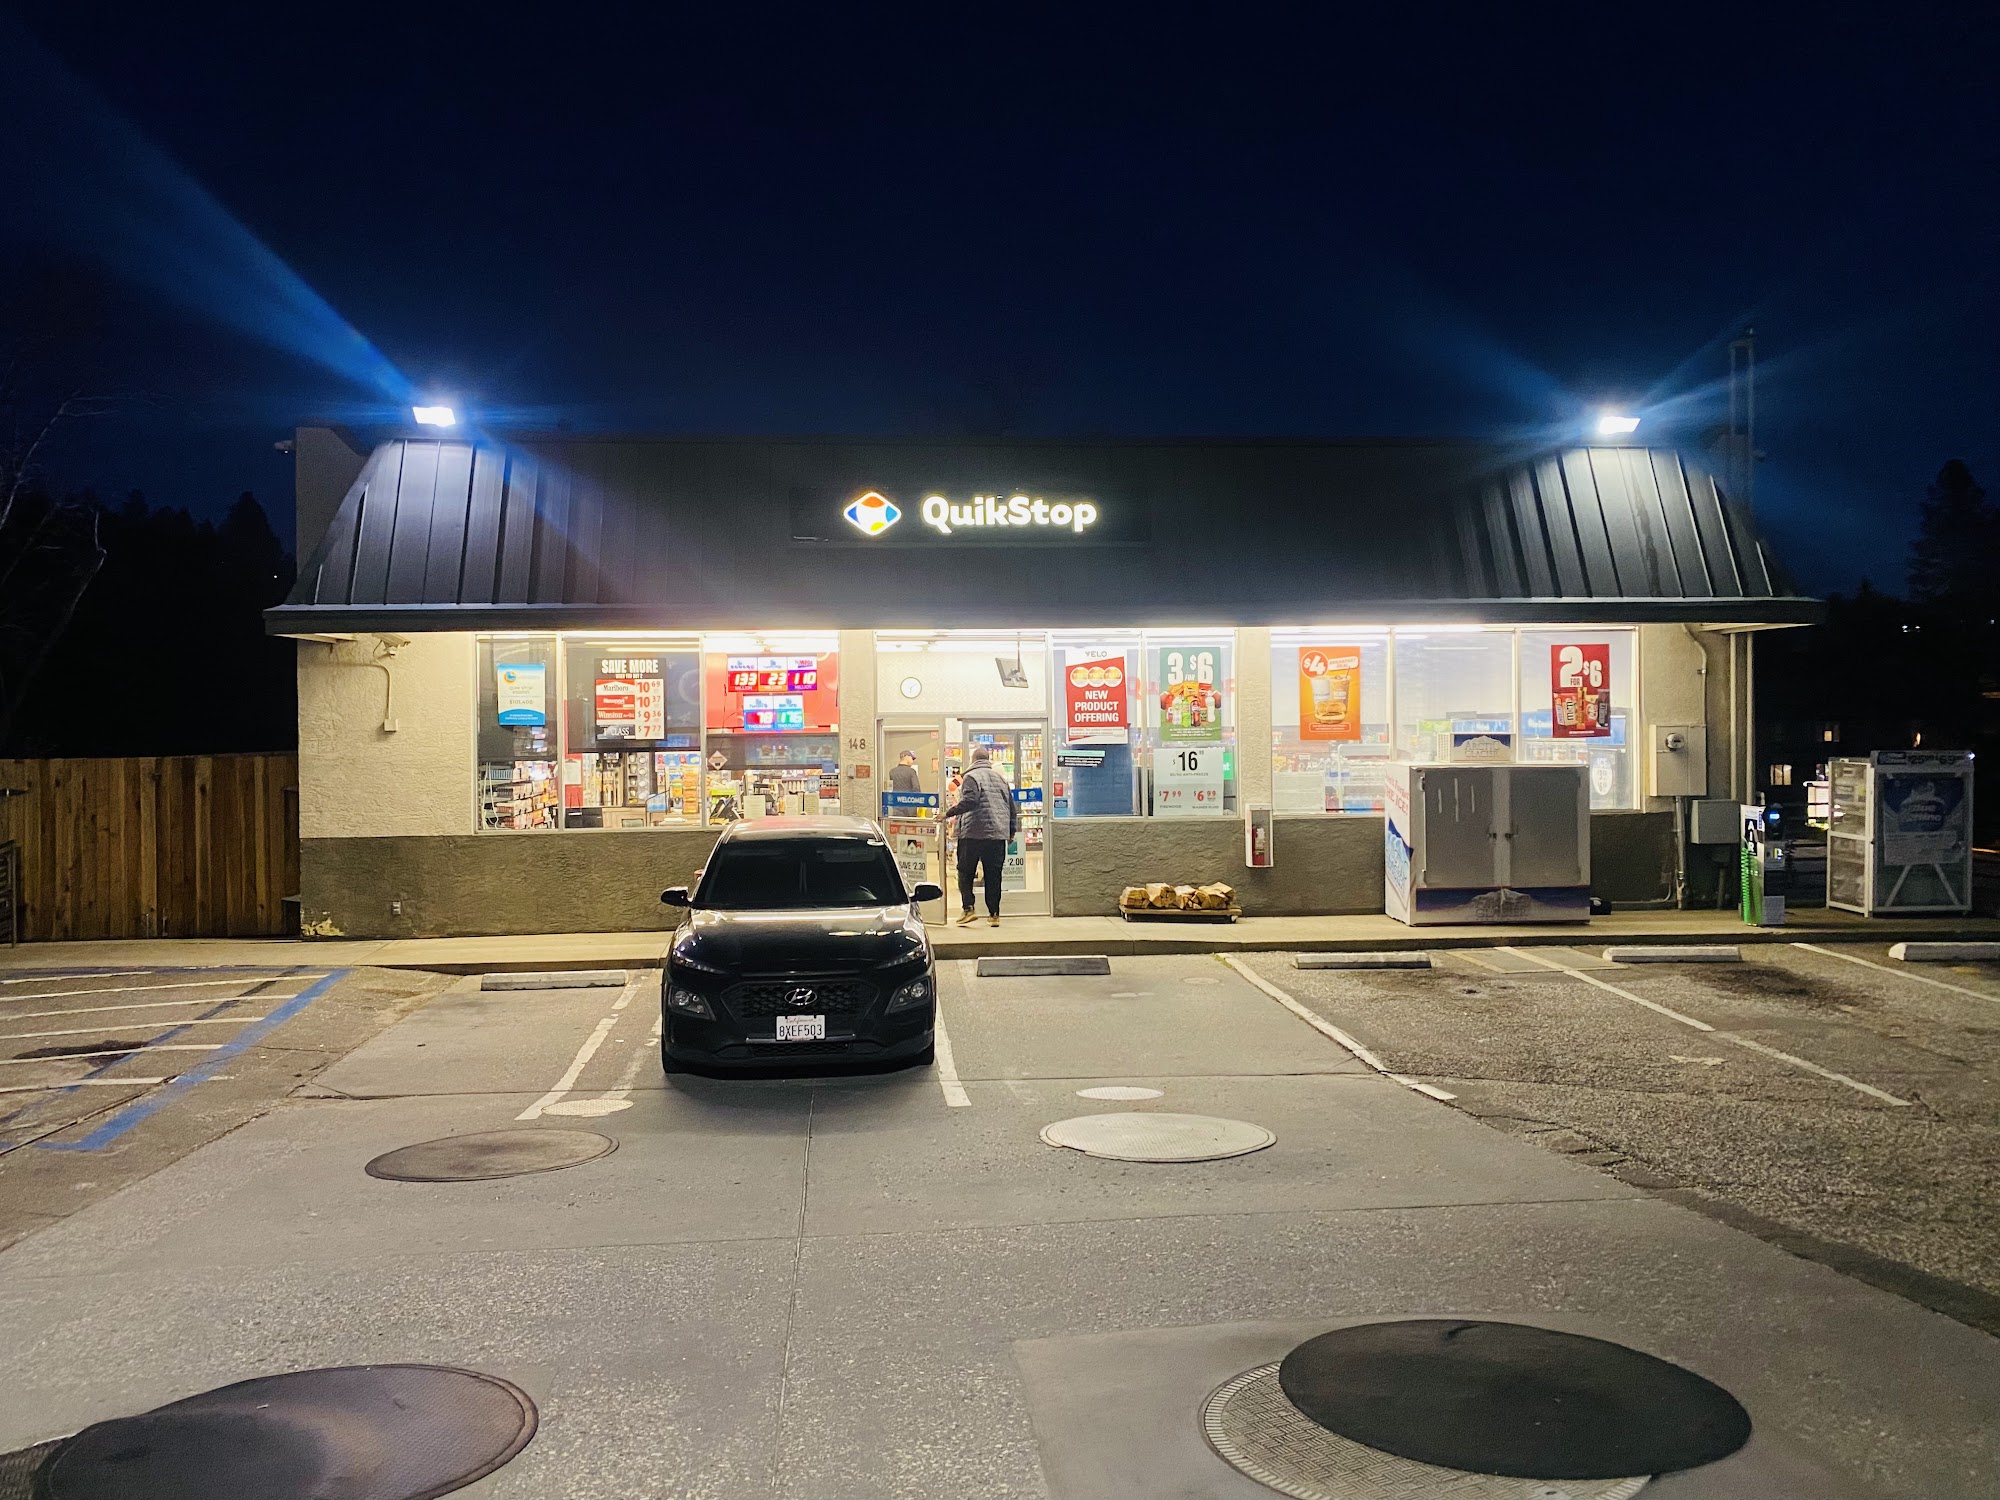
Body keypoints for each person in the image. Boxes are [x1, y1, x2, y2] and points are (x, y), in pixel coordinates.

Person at [944, 745, 1017, 926]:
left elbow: (970, 801)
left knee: (965, 871)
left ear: (973, 760)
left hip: (973, 833)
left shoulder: (971, 777)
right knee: (993, 875)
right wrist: (1011, 832)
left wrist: (947, 813)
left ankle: (968, 909)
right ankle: (994, 915)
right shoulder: (1001, 779)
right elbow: (1011, 808)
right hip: (997, 834)